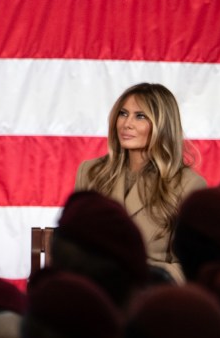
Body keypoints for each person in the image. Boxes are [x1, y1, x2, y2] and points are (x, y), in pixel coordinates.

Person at [74, 83, 206, 282]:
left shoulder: (189, 185)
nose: (127, 124)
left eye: (140, 116)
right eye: (123, 113)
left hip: (150, 298)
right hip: (95, 295)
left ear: (162, 124)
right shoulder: (90, 172)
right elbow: (74, 244)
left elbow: (190, 268)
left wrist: (137, 274)